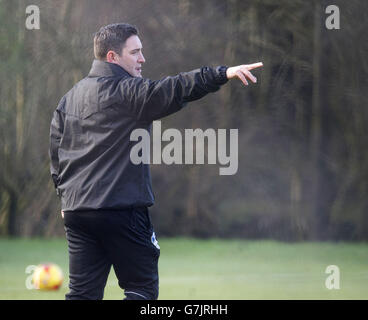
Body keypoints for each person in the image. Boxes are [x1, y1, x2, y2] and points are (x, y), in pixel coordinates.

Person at [49, 22, 263, 300]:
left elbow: (56, 151)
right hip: (121, 209)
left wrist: (64, 197)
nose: (142, 59)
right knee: (141, 290)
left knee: (82, 295)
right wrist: (222, 73)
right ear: (113, 57)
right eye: (135, 52)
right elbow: (176, 88)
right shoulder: (127, 92)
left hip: (77, 212)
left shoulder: (68, 100)